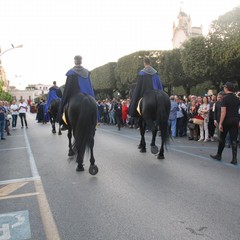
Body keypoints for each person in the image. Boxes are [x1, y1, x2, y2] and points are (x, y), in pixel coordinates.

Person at [60, 55, 95, 130]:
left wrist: (65, 97)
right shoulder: (87, 72)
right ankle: (95, 121)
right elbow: (89, 86)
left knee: (64, 106)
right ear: (81, 61)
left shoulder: (71, 72)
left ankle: (65, 124)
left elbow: (68, 87)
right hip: (88, 93)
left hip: (75, 94)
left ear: (74, 61)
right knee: (93, 104)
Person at [210, 82, 240, 165]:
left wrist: (220, 123)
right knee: (234, 139)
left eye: (224, 87)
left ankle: (219, 155)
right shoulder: (236, 98)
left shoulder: (225, 99)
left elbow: (223, 112)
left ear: (226, 88)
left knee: (222, 138)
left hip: (227, 120)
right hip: (235, 119)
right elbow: (238, 110)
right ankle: (234, 159)